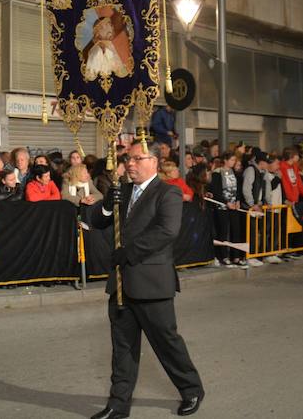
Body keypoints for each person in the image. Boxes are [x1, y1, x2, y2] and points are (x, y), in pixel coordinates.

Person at [84, 142, 204, 419]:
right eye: (128, 159)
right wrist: (105, 206)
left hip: (151, 281)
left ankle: (191, 390)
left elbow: (167, 231)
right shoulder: (122, 192)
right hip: (121, 284)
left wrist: (129, 253)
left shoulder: (168, 192)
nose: (130, 164)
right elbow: (96, 221)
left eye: (137, 158)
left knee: (166, 342)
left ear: (154, 161)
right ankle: (118, 403)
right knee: (122, 347)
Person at [209, 152, 241, 267]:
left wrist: (237, 200)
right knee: (223, 231)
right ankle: (223, 255)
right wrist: (226, 202)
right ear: (225, 160)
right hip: (222, 206)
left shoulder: (235, 173)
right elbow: (216, 191)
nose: (233, 162)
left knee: (235, 230)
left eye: (234, 160)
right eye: (231, 160)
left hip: (233, 206)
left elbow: (238, 189)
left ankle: (235, 255)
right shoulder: (218, 173)